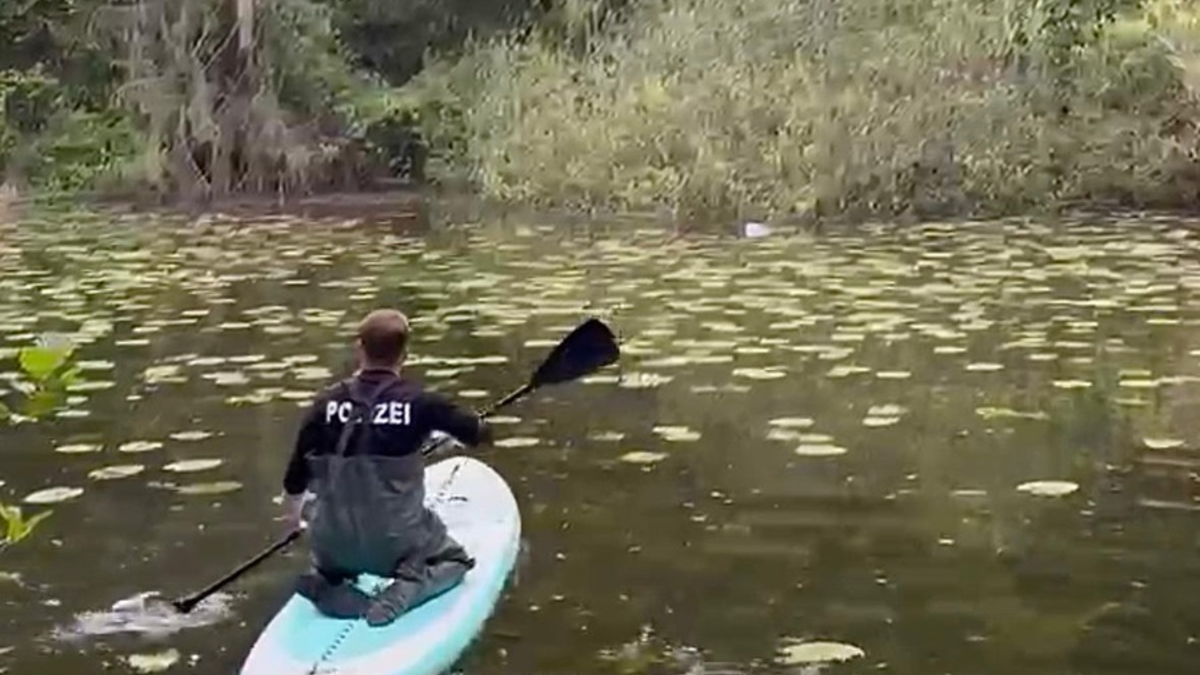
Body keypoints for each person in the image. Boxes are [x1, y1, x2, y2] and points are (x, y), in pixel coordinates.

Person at [280, 308, 493, 626]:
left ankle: (326, 582)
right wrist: (462, 428)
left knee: (331, 555)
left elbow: (294, 480)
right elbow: (480, 435)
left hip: (331, 543)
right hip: (396, 544)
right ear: (405, 354)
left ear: (359, 348)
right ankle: (407, 589)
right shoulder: (422, 403)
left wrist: (293, 526)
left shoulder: (324, 403)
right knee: (455, 560)